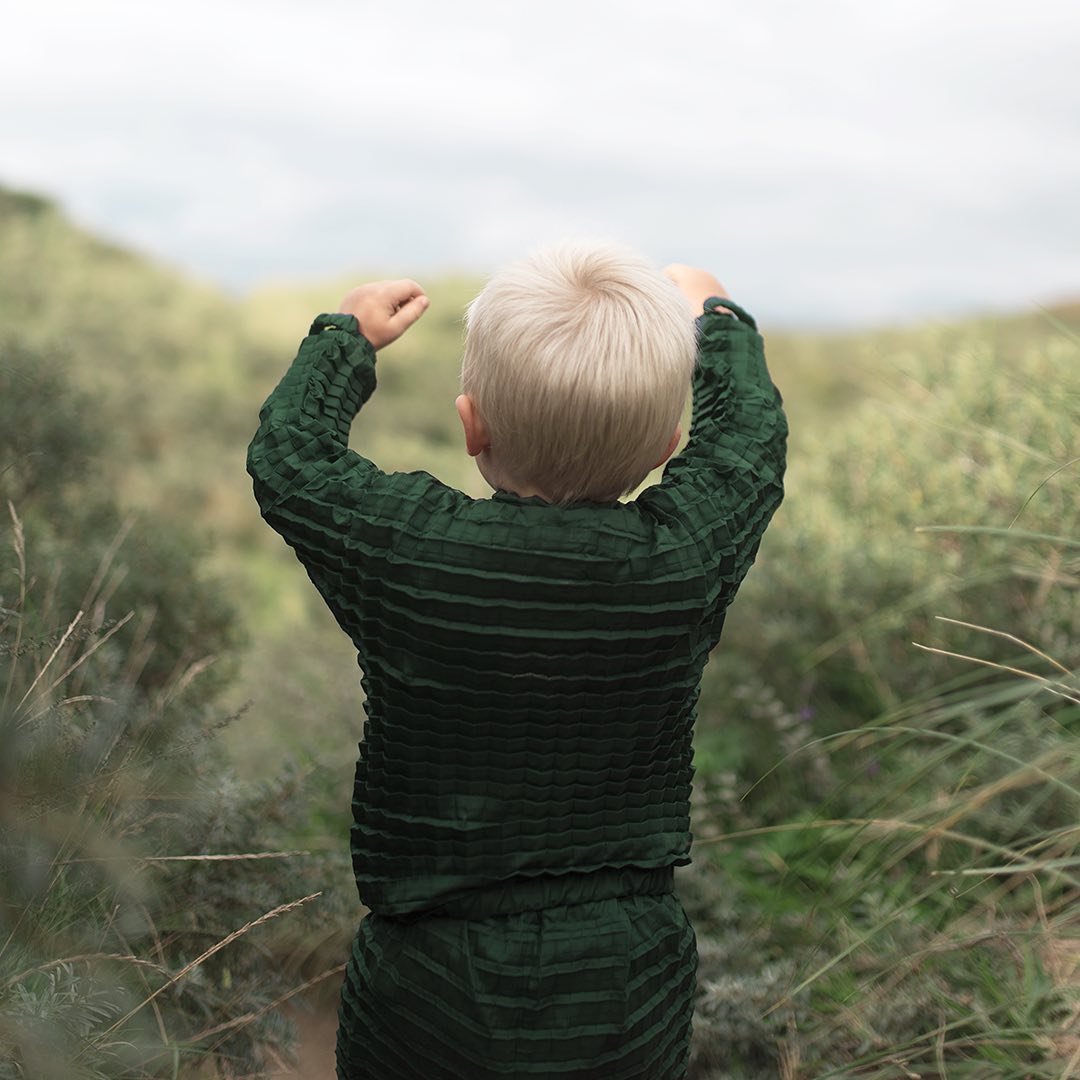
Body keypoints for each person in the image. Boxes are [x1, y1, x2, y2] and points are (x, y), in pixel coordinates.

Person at [247, 243, 787, 1079]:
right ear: (664, 447)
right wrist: (718, 320)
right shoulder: (684, 560)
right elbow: (749, 438)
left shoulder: (415, 558)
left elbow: (291, 459)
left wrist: (342, 337)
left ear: (472, 425)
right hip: (627, 974)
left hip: (428, 973)